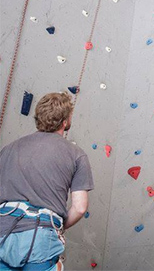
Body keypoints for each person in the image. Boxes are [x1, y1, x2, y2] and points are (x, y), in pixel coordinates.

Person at [0, 92, 94, 271]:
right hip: (40, 234)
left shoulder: (8, 150)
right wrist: (60, 227)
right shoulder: (76, 155)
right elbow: (80, 207)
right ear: (65, 121)